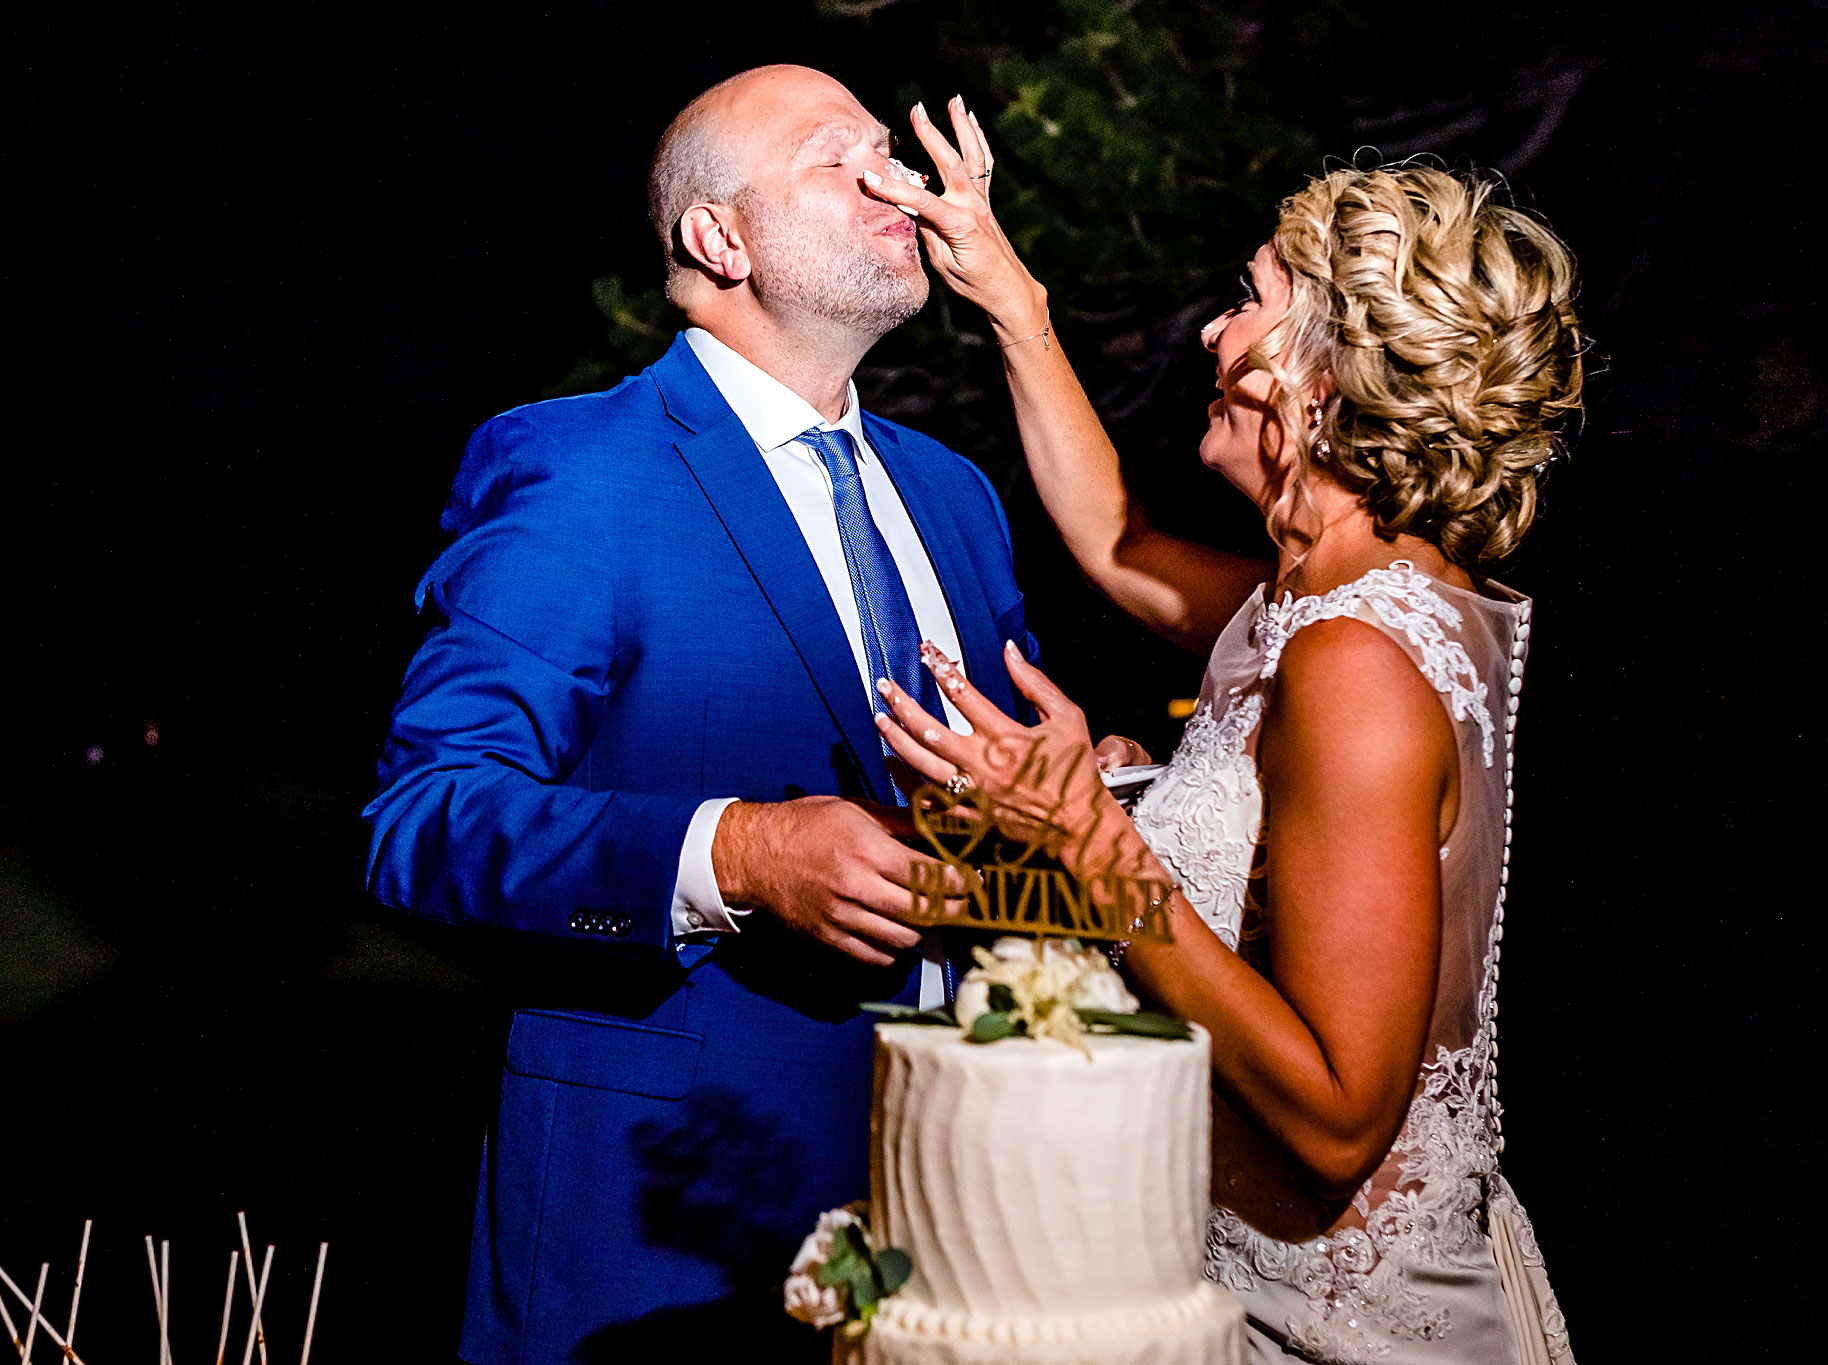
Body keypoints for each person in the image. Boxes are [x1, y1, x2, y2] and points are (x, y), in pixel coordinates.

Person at [862, 101, 1582, 1363]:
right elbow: (1116, 544)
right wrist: (1012, 299)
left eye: (1244, 300)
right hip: (1228, 1265)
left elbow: (1338, 1117)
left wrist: (1094, 848)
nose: (1210, 330)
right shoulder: (1316, 593)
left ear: (1318, 375)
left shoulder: (1357, 658)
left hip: (1339, 1320)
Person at [362, 67, 1037, 1364]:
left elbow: (1012, 781)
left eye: (889, 152)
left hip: (961, 1215)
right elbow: (426, 815)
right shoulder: (582, 468)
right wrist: (737, 853)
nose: (893, 177)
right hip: (664, 1238)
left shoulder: (957, 497)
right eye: (837, 159)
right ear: (719, 239)